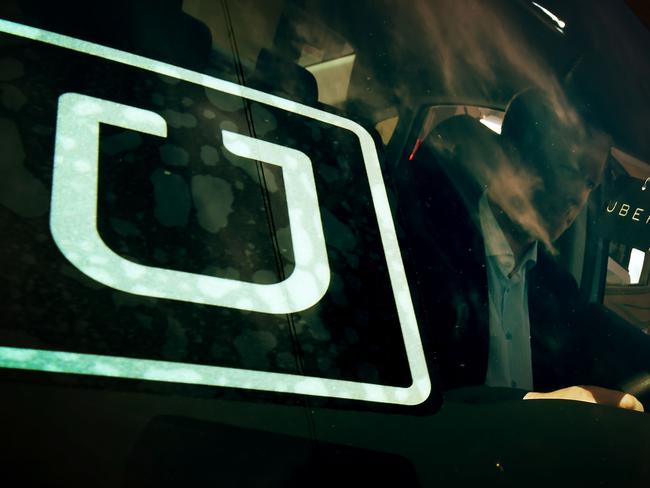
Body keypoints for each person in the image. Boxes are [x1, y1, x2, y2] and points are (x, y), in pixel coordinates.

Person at [398, 88, 649, 411]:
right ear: (512, 157)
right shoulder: (425, 250)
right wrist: (530, 405)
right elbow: (415, 393)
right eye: (570, 170)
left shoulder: (558, 289)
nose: (578, 198)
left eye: (589, 184)